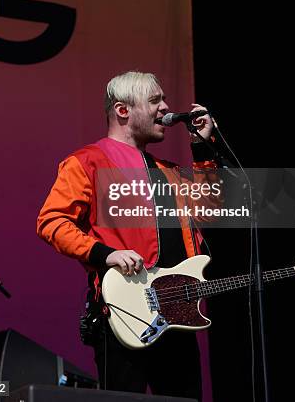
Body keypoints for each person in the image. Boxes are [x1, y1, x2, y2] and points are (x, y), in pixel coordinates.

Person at [37, 71, 220, 400]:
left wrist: (202, 147)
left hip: (177, 313)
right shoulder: (88, 162)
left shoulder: (167, 170)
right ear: (123, 110)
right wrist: (105, 253)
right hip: (124, 312)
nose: (166, 107)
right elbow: (52, 221)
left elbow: (210, 210)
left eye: (163, 99)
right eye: (155, 101)